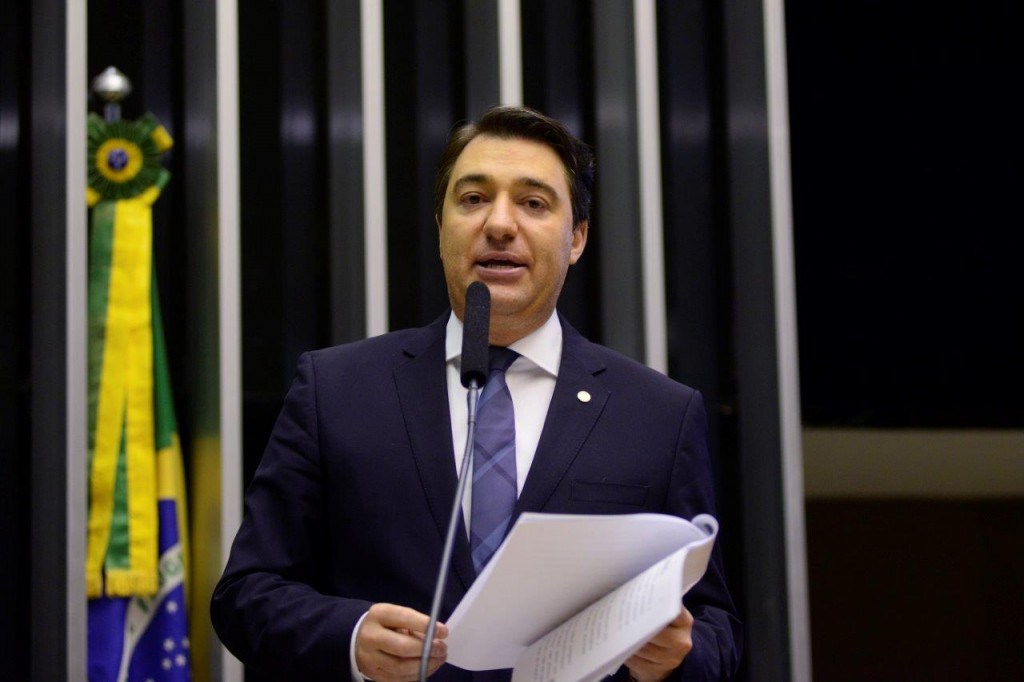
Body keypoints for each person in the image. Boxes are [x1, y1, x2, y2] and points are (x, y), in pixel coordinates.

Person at [211, 106, 742, 681]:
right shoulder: (336, 390)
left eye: (533, 203)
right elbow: (246, 594)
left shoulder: (658, 415)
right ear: (441, 227)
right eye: (473, 199)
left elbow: (715, 627)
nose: (500, 224)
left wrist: (678, 658)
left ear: (577, 238)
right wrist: (353, 636)